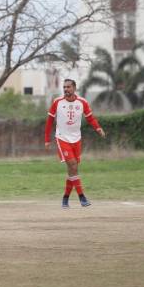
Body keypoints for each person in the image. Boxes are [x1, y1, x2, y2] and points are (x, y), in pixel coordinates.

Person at [44, 79, 106, 209]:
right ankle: (82, 197)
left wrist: (98, 128)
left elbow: (90, 118)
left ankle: (65, 199)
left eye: (68, 87)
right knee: (73, 165)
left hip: (76, 139)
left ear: (74, 88)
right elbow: (49, 121)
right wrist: (47, 139)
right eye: (64, 87)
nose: (66, 89)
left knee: (73, 170)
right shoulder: (57, 102)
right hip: (62, 139)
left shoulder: (82, 102)